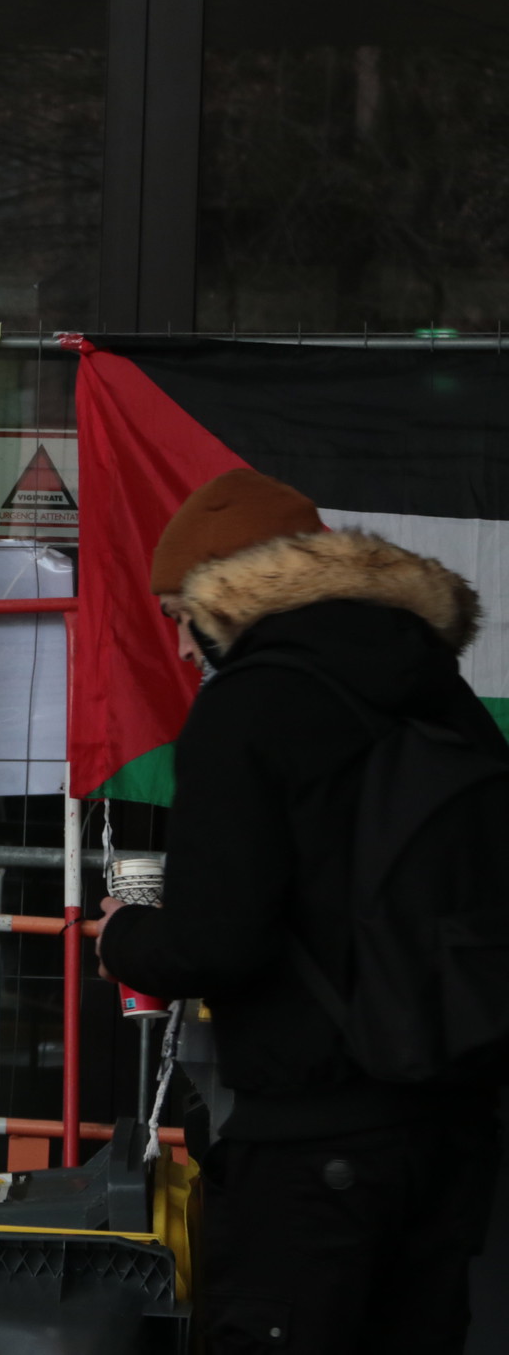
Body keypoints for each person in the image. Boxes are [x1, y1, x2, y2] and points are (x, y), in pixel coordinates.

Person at [96, 468, 502, 1354]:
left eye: (179, 614)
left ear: (227, 593)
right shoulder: (441, 694)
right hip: (450, 1133)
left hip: (312, 1147)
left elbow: (215, 940)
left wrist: (123, 934)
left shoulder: (250, 705)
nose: (181, 648)